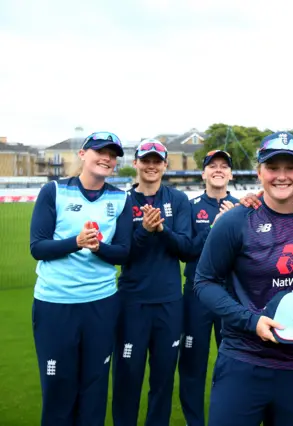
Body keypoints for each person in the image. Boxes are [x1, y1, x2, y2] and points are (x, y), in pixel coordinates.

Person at [193, 132, 293, 426]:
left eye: (290, 167)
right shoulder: (236, 220)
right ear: (259, 172)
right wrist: (251, 321)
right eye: (272, 167)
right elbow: (204, 282)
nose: (281, 176)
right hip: (244, 359)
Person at [29, 131, 132, 426]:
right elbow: (38, 247)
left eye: (112, 155)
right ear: (83, 155)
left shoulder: (120, 197)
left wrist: (98, 247)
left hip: (101, 303)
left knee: (95, 386)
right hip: (55, 303)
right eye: (100, 151)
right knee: (59, 388)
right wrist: (76, 241)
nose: (107, 159)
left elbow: (123, 253)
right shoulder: (54, 191)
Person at [112, 139, 192, 426]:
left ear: (165, 165)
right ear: (135, 163)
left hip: (169, 303)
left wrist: (161, 230)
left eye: (157, 160)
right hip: (132, 303)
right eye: (145, 160)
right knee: (127, 376)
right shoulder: (123, 201)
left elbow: (186, 248)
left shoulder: (178, 200)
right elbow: (122, 255)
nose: (151, 165)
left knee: (162, 378)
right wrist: (145, 231)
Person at [179, 149, 238, 426]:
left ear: (230, 174)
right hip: (196, 296)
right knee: (193, 365)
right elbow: (186, 250)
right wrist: (215, 226)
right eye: (212, 166)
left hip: (231, 295)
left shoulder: (242, 207)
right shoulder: (190, 208)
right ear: (203, 173)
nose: (218, 170)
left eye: (223, 166)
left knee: (233, 364)